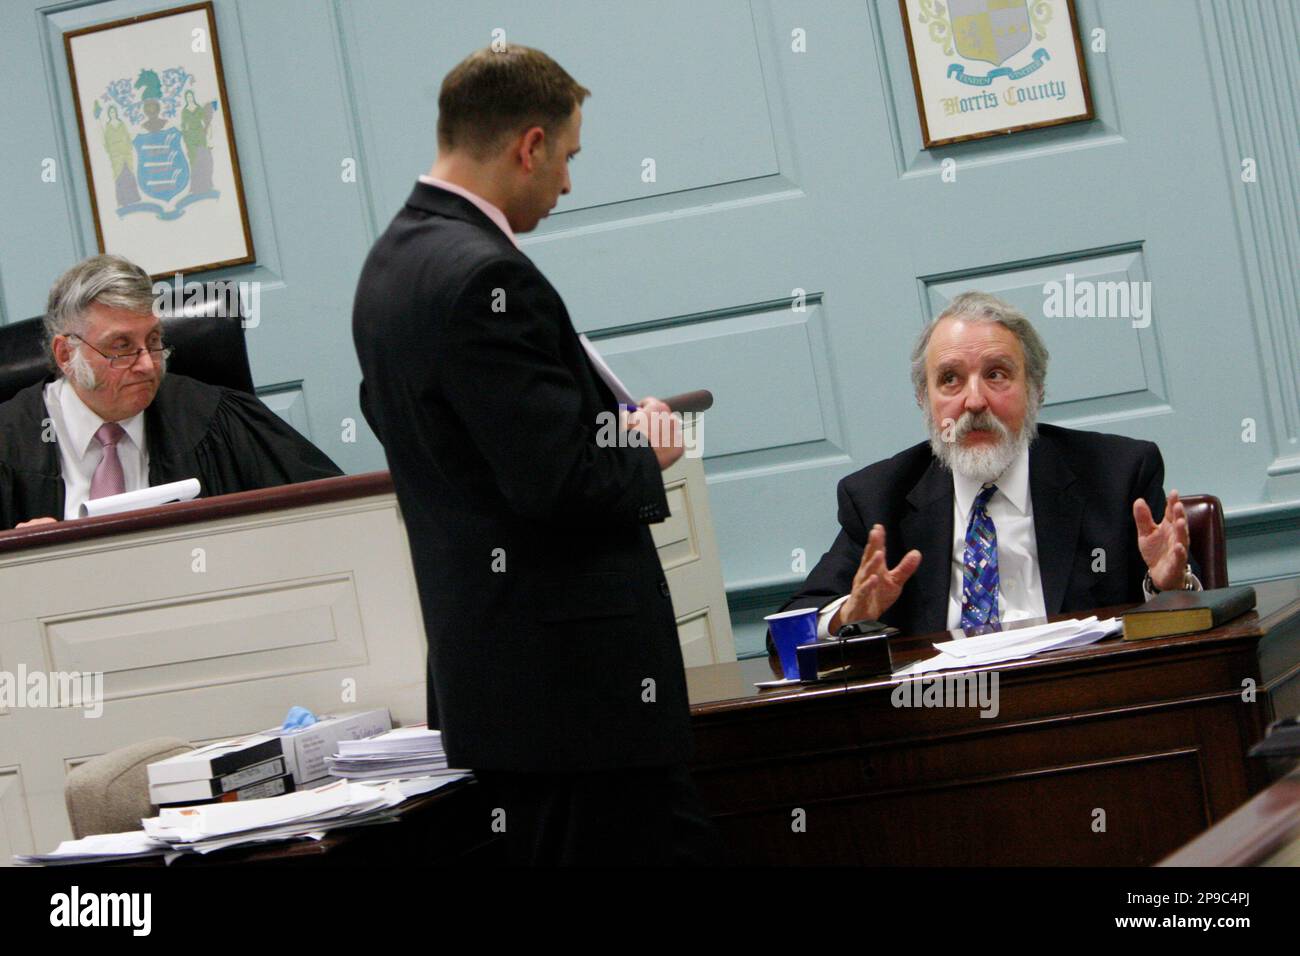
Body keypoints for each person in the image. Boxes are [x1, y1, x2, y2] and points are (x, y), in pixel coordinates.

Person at [352, 45, 717, 865]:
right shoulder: (487, 276)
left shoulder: (388, 266)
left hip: (496, 677)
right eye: (568, 157)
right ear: (529, 145)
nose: (567, 184)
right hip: (576, 693)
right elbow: (556, 479)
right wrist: (645, 447)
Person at [782, 291, 1199, 639]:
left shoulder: (1117, 475)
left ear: (1035, 390)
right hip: (946, 716)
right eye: (950, 379)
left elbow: (1202, 616)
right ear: (924, 400)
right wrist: (846, 615)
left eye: (997, 374)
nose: (975, 401)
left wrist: (1168, 586)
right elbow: (785, 634)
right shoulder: (878, 498)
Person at [0, 254, 342, 529]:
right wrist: (19, 559)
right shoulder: (8, 441)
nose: (148, 365)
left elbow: (333, 512)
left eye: (153, 341)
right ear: (66, 354)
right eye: (121, 347)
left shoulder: (216, 419)